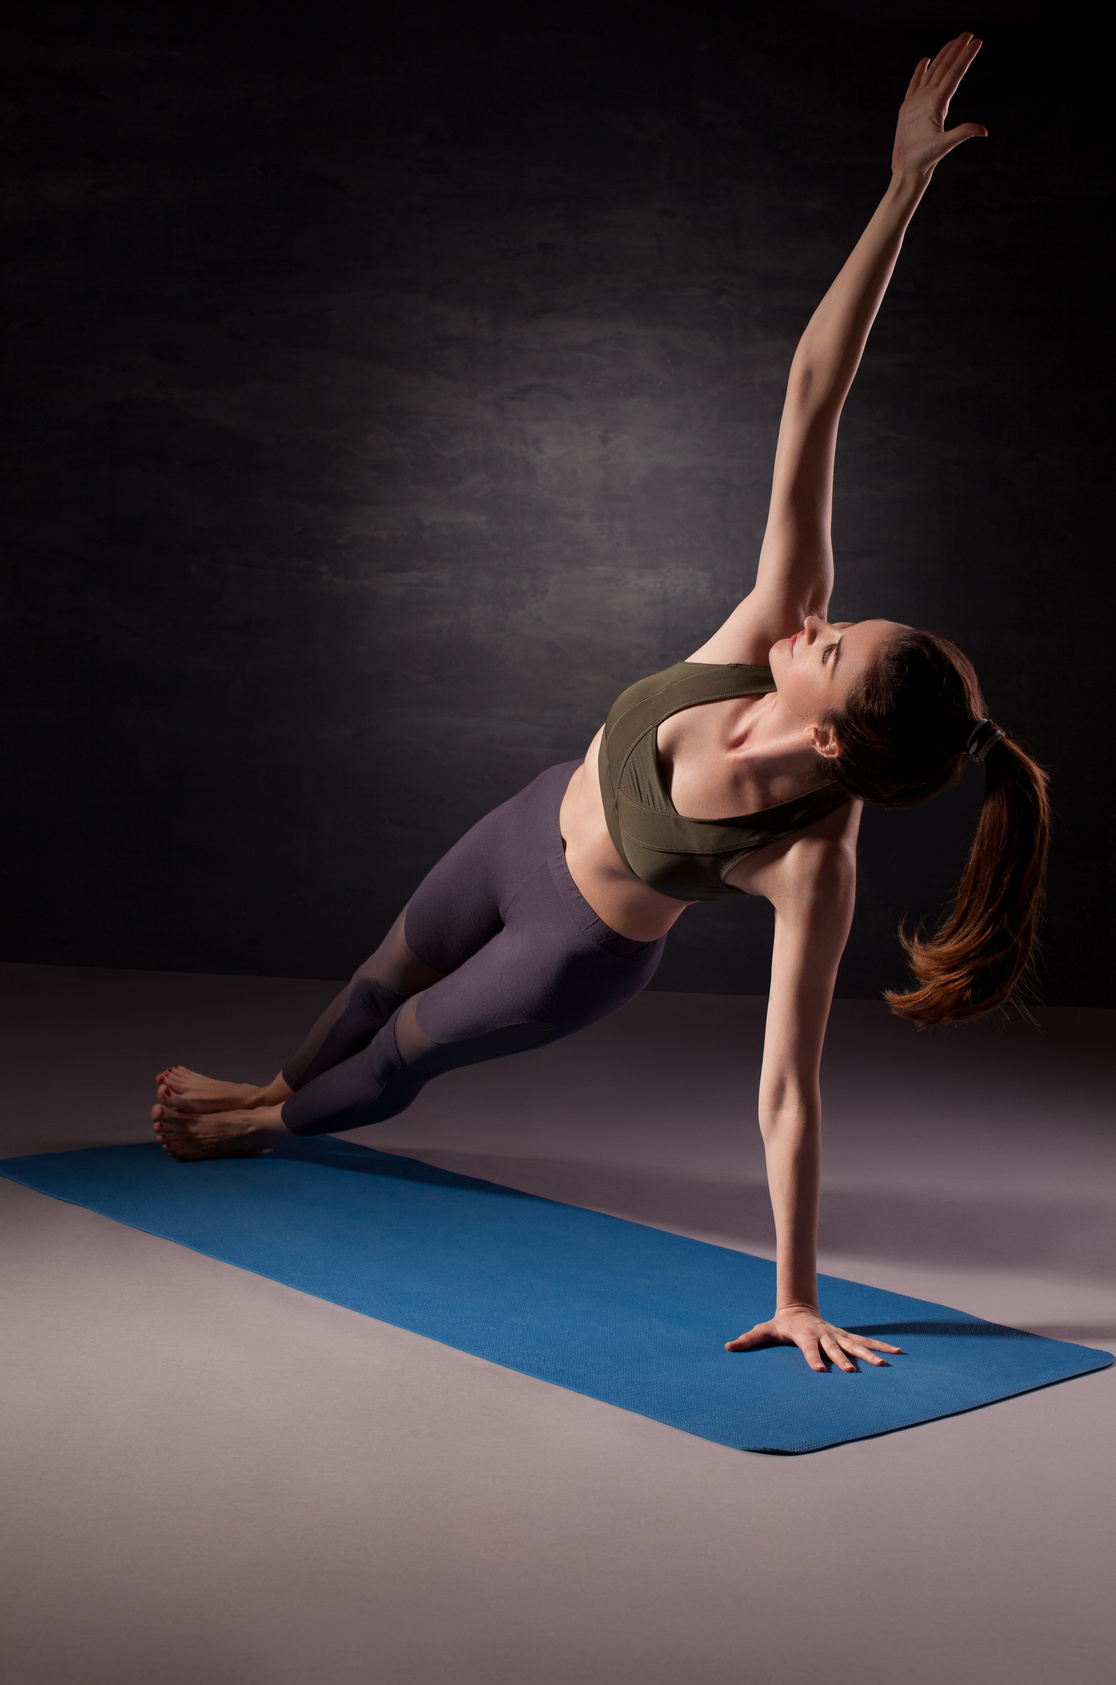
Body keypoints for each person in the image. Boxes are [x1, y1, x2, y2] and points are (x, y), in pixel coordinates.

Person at [151, 34, 1049, 1373]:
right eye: (848, 617)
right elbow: (814, 390)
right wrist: (901, 188)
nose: (820, 618)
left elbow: (787, 1091)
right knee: (376, 971)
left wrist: (799, 1291)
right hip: (526, 820)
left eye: (839, 641)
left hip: (569, 948)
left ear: (827, 734)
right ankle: (275, 1079)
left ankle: (262, 1126)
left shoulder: (813, 860)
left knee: (403, 1050)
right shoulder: (770, 623)